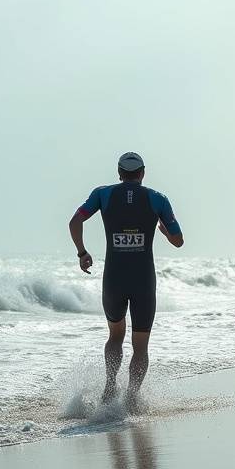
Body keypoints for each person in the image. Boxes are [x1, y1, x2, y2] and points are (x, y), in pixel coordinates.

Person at [68, 152, 184, 408]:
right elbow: (178, 240)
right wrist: (164, 231)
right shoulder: (157, 199)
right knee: (140, 344)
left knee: (115, 335)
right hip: (143, 280)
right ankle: (131, 398)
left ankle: (110, 389)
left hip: (114, 279)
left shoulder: (103, 194)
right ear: (143, 173)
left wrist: (82, 252)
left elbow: (75, 220)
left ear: (119, 173)